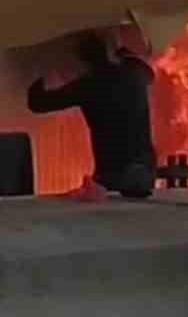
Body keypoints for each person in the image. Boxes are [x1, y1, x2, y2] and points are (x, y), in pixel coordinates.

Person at [27, 31, 157, 198]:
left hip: (114, 176)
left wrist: (40, 72)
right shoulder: (135, 73)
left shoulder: (90, 85)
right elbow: (146, 71)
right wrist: (120, 50)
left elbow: (39, 103)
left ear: (82, 61)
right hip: (145, 172)